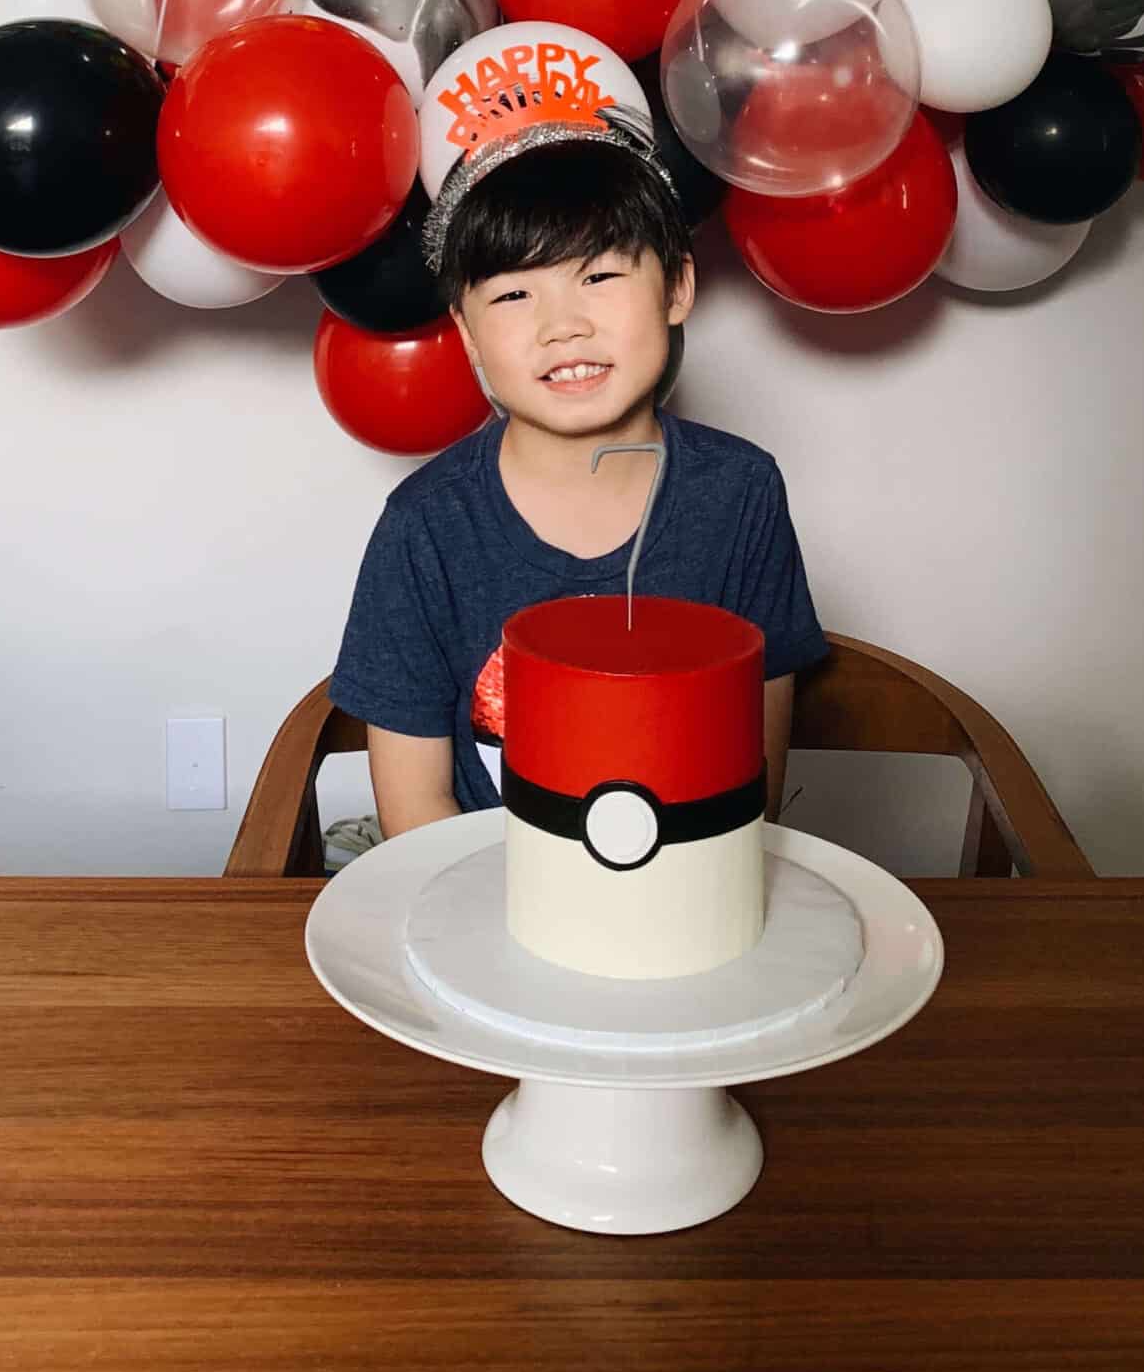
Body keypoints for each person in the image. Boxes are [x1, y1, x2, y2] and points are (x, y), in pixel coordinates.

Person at [329, 113, 829, 838]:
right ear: (467, 334)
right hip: (477, 897)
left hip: (689, 889)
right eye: (512, 295)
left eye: (598, 275)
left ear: (677, 287)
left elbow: (753, 783)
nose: (562, 325)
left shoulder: (742, 493)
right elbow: (415, 813)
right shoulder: (425, 526)